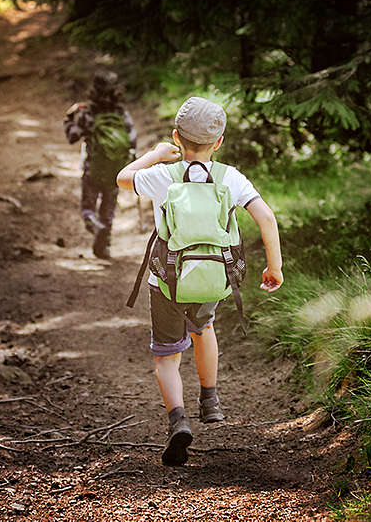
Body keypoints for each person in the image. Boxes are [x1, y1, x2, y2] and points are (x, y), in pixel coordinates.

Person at [116, 96, 284, 466]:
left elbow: (122, 179)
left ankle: (178, 419)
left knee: (166, 355)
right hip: (213, 279)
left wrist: (156, 155)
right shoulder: (230, 178)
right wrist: (275, 267)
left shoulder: (163, 175)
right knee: (203, 328)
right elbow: (267, 218)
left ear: (177, 137)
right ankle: (210, 399)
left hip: (168, 282)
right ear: (219, 142)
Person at [64, 70, 137, 259]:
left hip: (92, 169)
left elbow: (73, 137)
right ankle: (103, 247)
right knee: (108, 208)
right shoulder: (122, 113)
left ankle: (93, 224)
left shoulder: (88, 113)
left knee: (88, 207)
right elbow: (132, 141)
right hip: (116, 171)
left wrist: (69, 118)